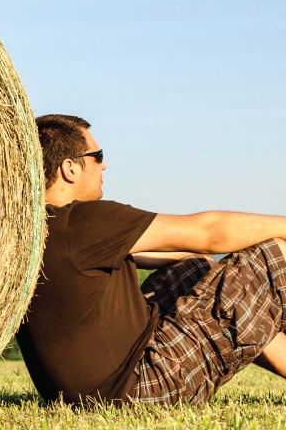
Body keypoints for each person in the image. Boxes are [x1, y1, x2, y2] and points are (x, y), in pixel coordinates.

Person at [16, 114, 286, 406]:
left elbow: (178, 250)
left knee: (195, 269)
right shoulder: (83, 221)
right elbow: (210, 232)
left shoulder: (35, 233)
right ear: (70, 168)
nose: (104, 164)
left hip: (87, 394)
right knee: (273, 254)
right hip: (142, 386)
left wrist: (218, 267)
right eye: (98, 156)